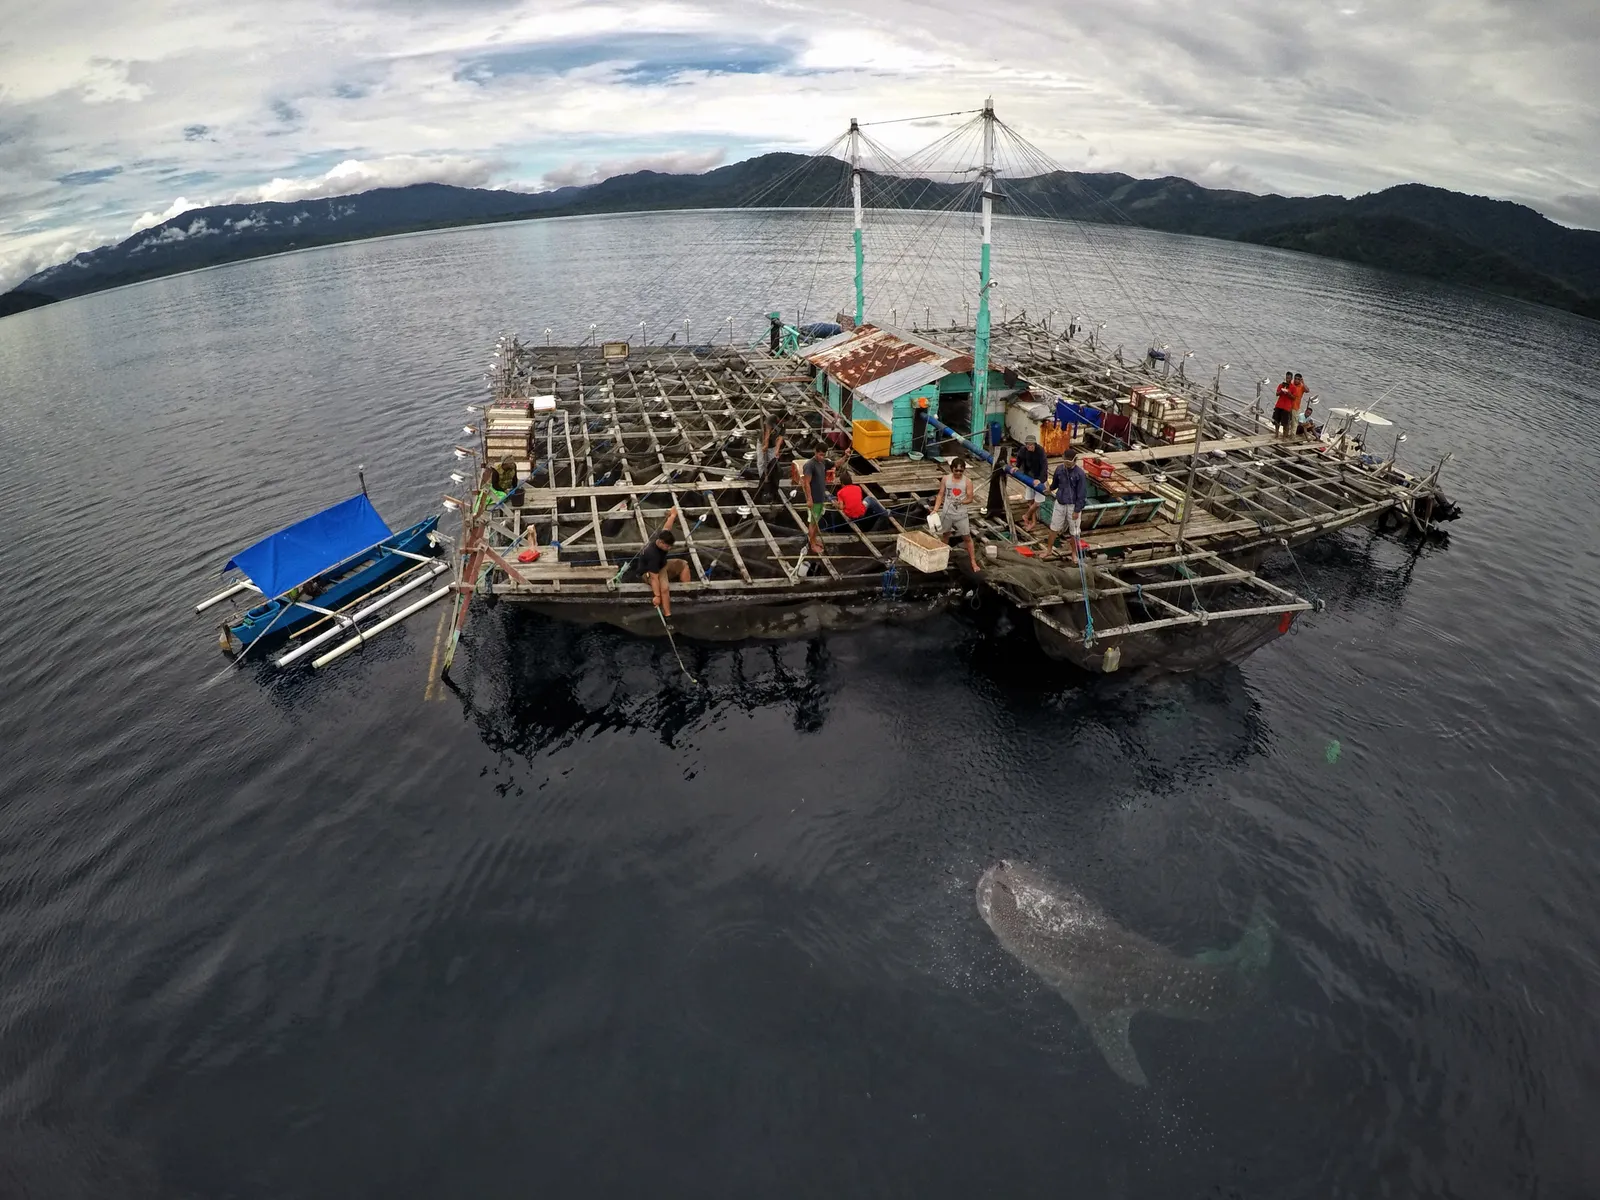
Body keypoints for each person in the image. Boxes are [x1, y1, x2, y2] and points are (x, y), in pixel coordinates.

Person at [637, 508, 691, 622]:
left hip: (663, 564)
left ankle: (688, 591)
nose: (669, 548)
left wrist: (673, 515)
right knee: (664, 588)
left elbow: (667, 527)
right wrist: (657, 596)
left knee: (683, 564)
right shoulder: (652, 554)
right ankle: (668, 615)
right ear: (661, 542)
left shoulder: (662, 536)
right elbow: (654, 577)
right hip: (649, 572)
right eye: (667, 546)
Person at [930, 457, 982, 573]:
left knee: (967, 537)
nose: (958, 473)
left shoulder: (967, 482)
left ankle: (973, 561)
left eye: (961, 471)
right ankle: (942, 558)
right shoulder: (945, 479)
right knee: (945, 535)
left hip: (961, 515)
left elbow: (970, 498)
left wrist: (961, 502)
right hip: (947, 513)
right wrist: (935, 509)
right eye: (956, 470)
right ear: (951, 469)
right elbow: (940, 494)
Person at [1042, 449, 1088, 560]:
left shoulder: (1080, 474)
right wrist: (1050, 489)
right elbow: (1055, 484)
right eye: (1065, 462)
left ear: (1075, 461)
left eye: (1069, 462)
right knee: (1054, 527)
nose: (1067, 464)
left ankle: (1074, 554)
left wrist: (1077, 510)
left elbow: (1082, 494)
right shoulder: (1059, 469)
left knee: (1074, 532)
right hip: (1060, 503)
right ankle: (1048, 550)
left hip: (1073, 506)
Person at [1015, 434, 1049, 530]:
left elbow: (1044, 466)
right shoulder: (1023, 450)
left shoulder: (1040, 451)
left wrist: (1040, 480)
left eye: (1031, 445)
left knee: (1037, 503)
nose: (1029, 447)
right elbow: (1019, 458)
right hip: (1029, 477)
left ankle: (1026, 515)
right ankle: (1033, 522)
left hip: (1039, 478)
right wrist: (1017, 467)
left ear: (1035, 444)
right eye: (1027, 445)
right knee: (1030, 501)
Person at [802, 443, 830, 554]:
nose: (822, 457)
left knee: (817, 520)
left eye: (823, 455)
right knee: (813, 523)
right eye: (820, 455)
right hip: (814, 499)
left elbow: (836, 464)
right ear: (815, 452)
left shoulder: (823, 462)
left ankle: (814, 539)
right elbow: (806, 483)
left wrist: (846, 456)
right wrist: (809, 499)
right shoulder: (810, 465)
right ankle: (812, 544)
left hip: (821, 497)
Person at [1272, 371, 1296, 437]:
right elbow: (1277, 394)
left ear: (1291, 379)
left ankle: (1284, 436)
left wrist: (1289, 393)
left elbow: (1294, 398)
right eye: (1286, 378)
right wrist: (1281, 391)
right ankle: (1276, 434)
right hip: (1279, 405)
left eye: (1289, 378)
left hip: (1286, 407)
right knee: (1276, 420)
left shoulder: (1293, 387)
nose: (1287, 379)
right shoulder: (1281, 385)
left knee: (1285, 423)